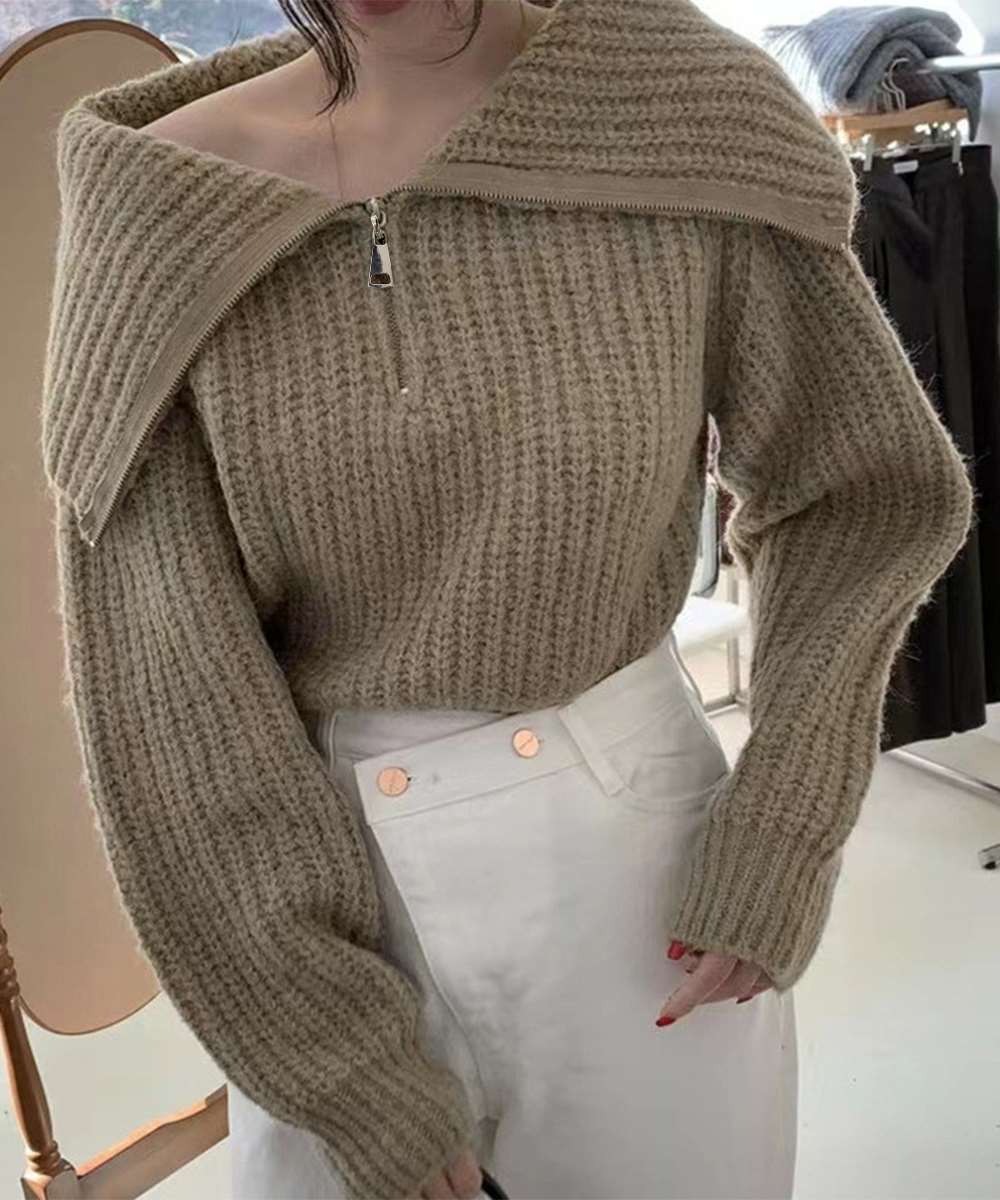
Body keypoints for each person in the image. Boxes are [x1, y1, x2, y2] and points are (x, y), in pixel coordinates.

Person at [39, 0, 975, 1197]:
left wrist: (784, 825)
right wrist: (327, 1053)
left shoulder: (682, 112)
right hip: (320, 900)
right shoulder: (161, 200)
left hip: (641, 871)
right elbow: (162, 676)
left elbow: (864, 494)